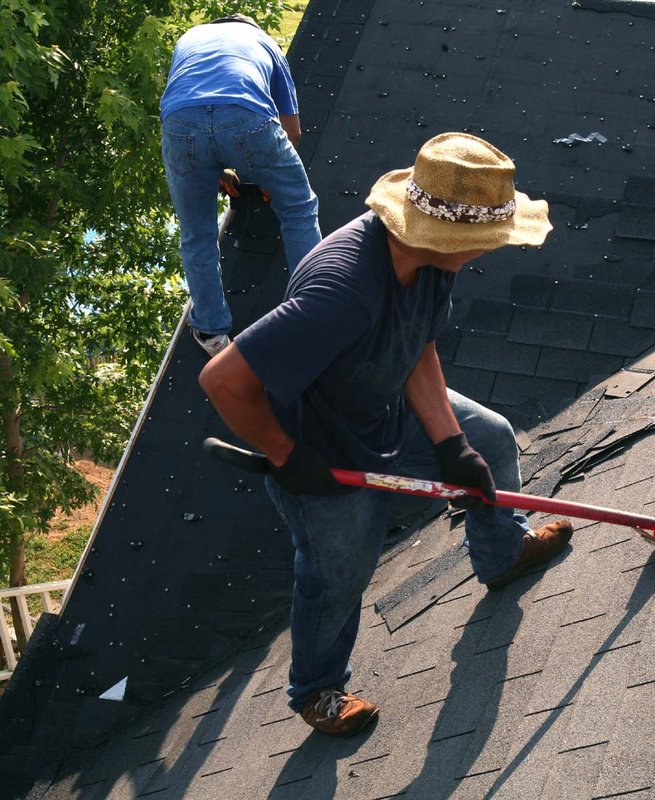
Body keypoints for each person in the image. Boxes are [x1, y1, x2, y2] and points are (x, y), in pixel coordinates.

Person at [199, 132, 574, 735]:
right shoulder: (340, 292)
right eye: (480, 240)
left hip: (387, 408)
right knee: (338, 572)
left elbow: (417, 345)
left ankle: (503, 554)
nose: (487, 251)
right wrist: (286, 455)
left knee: (493, 439)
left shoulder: (426, 262)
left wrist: (452, 444)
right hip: (319, 452)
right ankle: (317, 690)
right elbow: (221, 380)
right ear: (442, 236)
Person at [160, 13, 322, 357]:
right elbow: (291, 132)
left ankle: (211, 330)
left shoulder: (189, 38)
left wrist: (215, 165)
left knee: (196, 234)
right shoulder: (264, 43)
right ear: (251, 28)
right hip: (245, 116)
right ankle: (314, 310)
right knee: (298, 210)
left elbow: (199, 114)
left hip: (179, 124)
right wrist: (267, 177)